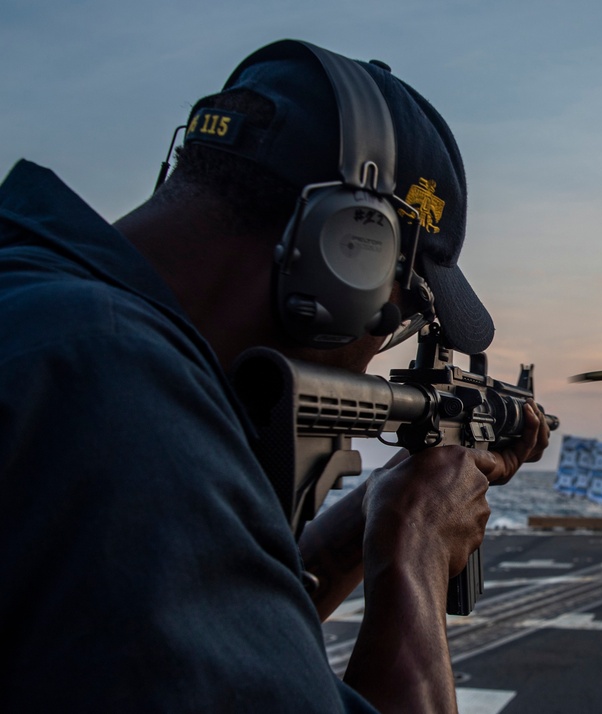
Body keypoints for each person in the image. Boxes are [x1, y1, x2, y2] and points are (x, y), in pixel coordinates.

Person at [0, 39, 549, 713]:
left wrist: (374, 517)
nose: (377, 352)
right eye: (398, 314)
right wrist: (417, 556)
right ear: (342, 253)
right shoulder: (111, 400)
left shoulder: (48, 327)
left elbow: (227, 644)